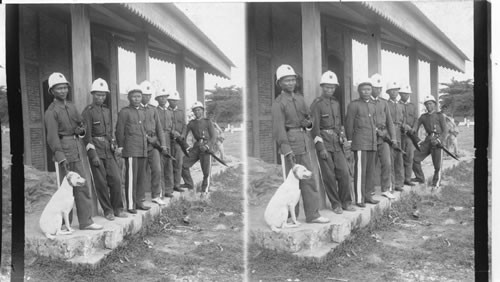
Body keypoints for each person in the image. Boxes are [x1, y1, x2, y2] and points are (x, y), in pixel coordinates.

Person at [44, 72, 103, 230]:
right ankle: (64, 223)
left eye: (65, 88)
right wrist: (61, 157)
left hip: (76, 149)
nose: (63, 91)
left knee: (82, 184)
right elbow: (52, 137)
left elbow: (80, 124)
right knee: (64, 190)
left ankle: (86, 221)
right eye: (59, 88)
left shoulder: (71, 106)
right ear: (52, 91)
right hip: (63, 151)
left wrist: (81, 130)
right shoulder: (51, 112)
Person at [272, 64, 329, 224]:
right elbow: (278, 129)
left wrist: (309, 123)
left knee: (309, 179)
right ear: (280, 83)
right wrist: (286, 150)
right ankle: (291, 217)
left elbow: (309, 119)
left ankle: (313, 215)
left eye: (292, 80)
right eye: (286, 81)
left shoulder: (300, 99)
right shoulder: (278, 103)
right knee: (291, 184)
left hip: (303, 141)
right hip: (290, 143)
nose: (290, 83)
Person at [310, 71, 356, 214]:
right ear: (322, 87)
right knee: (329, 176)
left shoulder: (336, 103)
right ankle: (335, 204)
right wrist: (320, 147)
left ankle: (346, 202)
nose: (330, 90)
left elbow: (339, 123)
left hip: (337, 143)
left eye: (332, 87)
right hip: (325, 143)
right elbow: (314, 128)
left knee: (344, 173)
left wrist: (342, 135)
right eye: (327, 87)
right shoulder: (317, 104)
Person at [82, 78, 127, 221]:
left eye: (103, 95)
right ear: (92, 94)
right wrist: (92, 154)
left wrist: (113, 143)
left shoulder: (107, 111)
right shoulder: (88, 111)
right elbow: (86, 135)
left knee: (116, 179)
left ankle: (118, 208)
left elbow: (109, 132)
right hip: (96, 150)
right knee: (101, 182)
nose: (101, 97)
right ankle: (108, 211)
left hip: (108, 150)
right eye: (98, 95)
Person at [345, 78, 381, 207]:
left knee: (370, 171)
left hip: (372, 142)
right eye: (364, 90)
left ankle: (368, 196)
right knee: (360, 171)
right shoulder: (354, 105)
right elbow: (349, 123)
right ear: (359, 91)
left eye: (369, 89)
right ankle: (359, 198)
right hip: (360, 142)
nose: (366, 92)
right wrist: (349, 140)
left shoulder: (372, 105)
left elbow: (374, 124)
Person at [116, 84, 151, 213]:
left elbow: (144, 131)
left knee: (141, 178)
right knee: (131, 178)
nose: (137, 99)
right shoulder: (125, 112)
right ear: (129, 98)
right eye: (134, 97)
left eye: (139, 96)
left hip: (142, 149)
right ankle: (130, 205)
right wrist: (120, 146)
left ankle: (139, 202)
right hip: (131, 149)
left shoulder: (142, 112)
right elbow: (119, 130)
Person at [139, 80, 167, 206]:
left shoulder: (153, 109)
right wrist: (145, 137)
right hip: (140, 144)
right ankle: (140, 197)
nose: (147, 97)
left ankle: (156, 195)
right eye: (145, 95)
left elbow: (159, 128)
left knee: (157, 169)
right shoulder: (136, 109)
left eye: (149, 95)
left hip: (153, 144)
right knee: (141, 172)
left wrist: (163, 144)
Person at [369, 74, 397, 199]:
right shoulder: (366, 102)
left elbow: (389, 122)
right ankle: (369, 190)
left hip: (384, 137)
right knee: (371, 165)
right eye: (376, 88)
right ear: (371, 87)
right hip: (370, 138)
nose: (378, 90)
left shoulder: (383, 103)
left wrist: (393, 138)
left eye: (380, 88)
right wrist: (375, 130)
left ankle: (386, 189)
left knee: (387, 163)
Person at [412, 95, 448, 188]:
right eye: (427, 104)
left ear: (435, 104)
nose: (428, 106)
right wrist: (417, 140)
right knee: (414, 157)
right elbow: (415, 128)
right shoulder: (423, 117)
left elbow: (445, 131)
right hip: (428, 141)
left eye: (430, 103)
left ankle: (435, 185)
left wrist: (439, 140)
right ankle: (420, 177)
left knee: (437, 166)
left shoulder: (440, 116)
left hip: (437, 142)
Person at [181, 101, 216, 196]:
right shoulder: (191, 123)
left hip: (206, 148)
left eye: (199, 110)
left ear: (203, 111)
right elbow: (183, 136)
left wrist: (207, 146)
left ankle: (205, 191)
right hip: (196, 147)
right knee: (183, 164)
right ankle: (189, 184)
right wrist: (186, 147)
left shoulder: (208, 122)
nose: (197, 112)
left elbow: (213, 137)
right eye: (195, 110)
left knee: (206, 172)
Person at [163, 90, 188, 193]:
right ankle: (169, 186)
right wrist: (173, 132)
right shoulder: (166, 111)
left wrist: (182, 135)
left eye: (176, 100)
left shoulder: (181, 112)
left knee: (178, 163)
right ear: (168, 100)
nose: (174, 102)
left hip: (178, 142)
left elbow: (185, 126)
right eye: (172, 100)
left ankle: (177, 184)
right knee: (168, 163)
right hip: (168, 140)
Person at [386, 81, 405, 192]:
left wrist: (404, 126)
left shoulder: (400, 105)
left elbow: (403, 120)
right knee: (391, 159)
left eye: (396, 90)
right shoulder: (386, 104)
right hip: (390, 132)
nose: (394, 92)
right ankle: (392, 184)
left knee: (399, 158)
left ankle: (399, 183)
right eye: (392, 90)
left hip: (399, 133)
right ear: (388, 92)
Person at [398, 85, 419, 186]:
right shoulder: (397, 105)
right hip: (400, 135)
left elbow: (416, 119)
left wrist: (414, 129)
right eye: (403, 94)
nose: (405, 95)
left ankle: (408, 178)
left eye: (407, 94)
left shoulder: (412, 106)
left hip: (410, 136)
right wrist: (403, 125)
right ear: (400, 94)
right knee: (400, 157)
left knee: (409, 157)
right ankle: (400, 180)